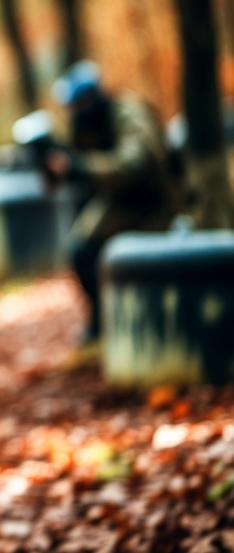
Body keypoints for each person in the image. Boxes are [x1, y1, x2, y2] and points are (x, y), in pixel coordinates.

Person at [43, 60, 178, 344]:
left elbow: (133, 166)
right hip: (122, 202)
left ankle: (126, 323)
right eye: (72, 106)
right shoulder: (85, 122)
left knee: (144, 265)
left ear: (94, 97)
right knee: (81, 249)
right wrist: (56, 168)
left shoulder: (129, 115)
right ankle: (102, 320)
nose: (76, 112)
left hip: (157, 202)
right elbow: (75, 162)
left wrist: (78, 166)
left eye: (80, 104)